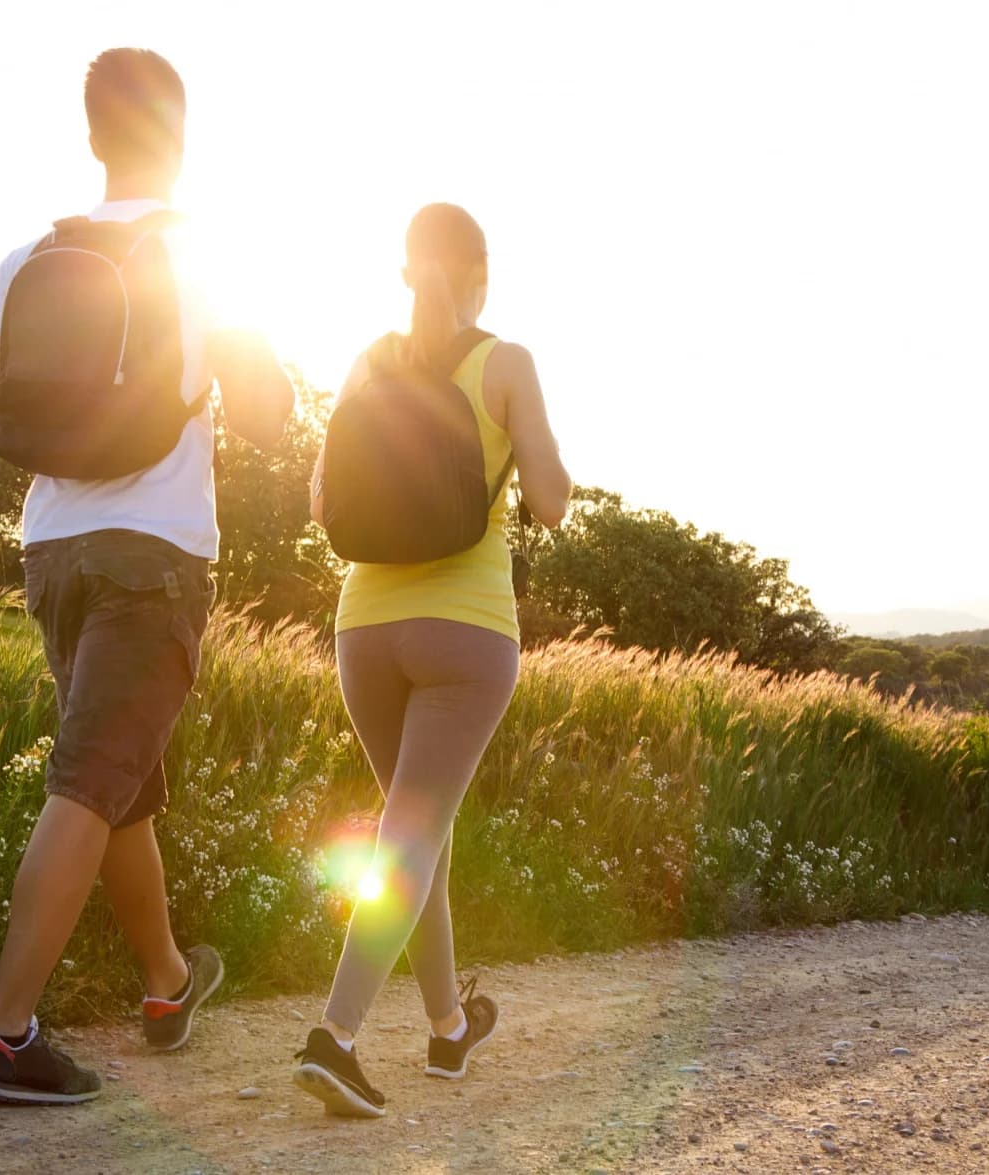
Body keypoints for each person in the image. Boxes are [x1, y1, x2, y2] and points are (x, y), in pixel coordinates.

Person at [0, 47, 294, 1105]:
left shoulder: (27, 257)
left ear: (95, 140)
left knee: (120, 789)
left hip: (52, 548)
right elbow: (272, 422)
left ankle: (166, 982)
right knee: (91, 781)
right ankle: (5, 1032)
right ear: (181, 144)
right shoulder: (202, 263)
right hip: (155, 555)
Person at [295, 203, 573, 1117]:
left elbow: (322, 500)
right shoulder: (508, 363)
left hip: (363, 628)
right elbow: (553, 502)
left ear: (409, 273)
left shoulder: (368, 360)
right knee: (410, 837)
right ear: (481, 276)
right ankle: (333, 1037)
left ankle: (450, 1027)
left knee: (422, 837)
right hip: (465, 631)